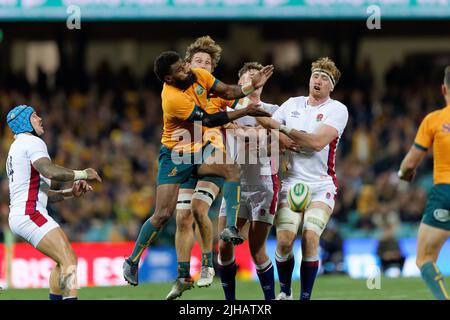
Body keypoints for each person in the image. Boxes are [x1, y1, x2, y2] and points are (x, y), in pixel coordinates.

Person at [122, 51, 274, 291]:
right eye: (180, 70)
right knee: (163, 214)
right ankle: (132, 261)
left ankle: (229, 229)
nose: (187, 69)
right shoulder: (172, 98)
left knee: (230, 170)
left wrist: (250, 88)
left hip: (201, 148)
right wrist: (244, 111)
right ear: (169, 79)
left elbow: (227, 92)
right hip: (175, 155)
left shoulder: (199, 75)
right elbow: (210, 121)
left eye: (184, 64)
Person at [258, 57, 348, 300]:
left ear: (332, 87)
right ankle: (285, 293)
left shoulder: (337, 110)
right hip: (291, 183)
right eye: (315, 76)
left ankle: (305, 297)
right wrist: (278, 138)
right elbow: (268, 128)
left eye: (324, 79)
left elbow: (317, 143)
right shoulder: (291, 104)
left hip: (321, 185)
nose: (318, 81)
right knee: (285, 241)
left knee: (310, 235)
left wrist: (284, 131)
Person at [217, 61, 296, 300]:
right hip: (235, 187)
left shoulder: (274, 110)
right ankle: (230, 303)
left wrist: (247, 133)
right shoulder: (229, 108)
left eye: (259, 76)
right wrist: (260, 135)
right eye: (250, 76)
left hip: (264, 185)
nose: (256, 80)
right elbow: (256, 136)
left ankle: (271, 300)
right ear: (241, 83)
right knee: (223, 245)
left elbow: (275, 141)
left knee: (256, 248)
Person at [5, 105, 102, 300]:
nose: (40, 119)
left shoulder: (16, 148)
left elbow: (43, 193)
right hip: (29, 213)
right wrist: (83, 173)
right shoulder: (32, 142)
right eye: (34, 116)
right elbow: (49, 170)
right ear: (25, 123)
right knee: (70, 259)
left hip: (23, 213)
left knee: (62, 262)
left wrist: (70, 193)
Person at [168, 36, 239, 299]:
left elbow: (244, 107)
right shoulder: (178, 92)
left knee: (199, 208)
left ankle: (208, 265)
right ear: (187, 65)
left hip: (212, 157)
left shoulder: (219, 95)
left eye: (207, 62)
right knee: (182, 218)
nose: (203, 65)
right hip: (186, 157)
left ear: (212, 69)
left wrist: (238, 124)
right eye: (198, 60)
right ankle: (183, 275)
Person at [398, 66, 450, 300]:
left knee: (425, 258)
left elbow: (410, 164)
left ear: (443, 89)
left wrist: (405, 175)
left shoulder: (434, 120)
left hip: (445, 193)